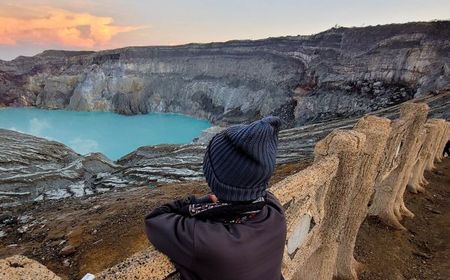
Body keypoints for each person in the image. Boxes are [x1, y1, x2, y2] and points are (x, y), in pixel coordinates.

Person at [145, 116, 287, 280]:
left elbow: (155, 220)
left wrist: (201, 201)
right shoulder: (274, 210)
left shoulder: (207, 240)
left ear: (215, 180)